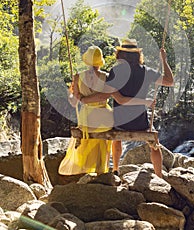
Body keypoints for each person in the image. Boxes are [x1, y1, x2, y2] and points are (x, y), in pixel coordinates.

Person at [81, 39, 174, 178]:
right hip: (140, 122)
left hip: (120, 122)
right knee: (154, 143)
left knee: (115, 137)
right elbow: (170, 81)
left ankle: (116, 168)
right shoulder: (146, 71)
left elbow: (116, 99)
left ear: (120, 55)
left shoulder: (115, 71)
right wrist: (164, 61)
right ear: (137, 55)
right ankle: (159, 175)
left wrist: (83, 100)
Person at [59, 45, 154, 176]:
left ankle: (85, 170)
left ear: (86, 60)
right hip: (105, 120)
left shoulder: (77, 77)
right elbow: (108, 95)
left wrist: (74, 95)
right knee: (107, 136)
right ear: (100, 61)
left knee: (86, 136)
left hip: (87, 119)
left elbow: (74, 102)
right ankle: (102, 170)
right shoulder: (107, 76)